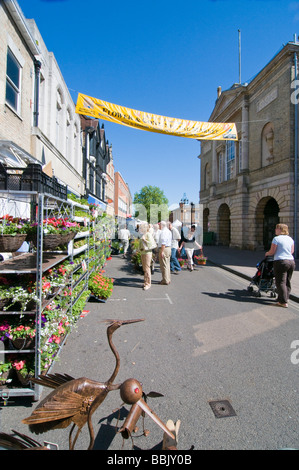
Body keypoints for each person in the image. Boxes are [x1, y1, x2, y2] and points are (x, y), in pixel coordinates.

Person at [265, 223, 295, 308]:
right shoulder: (290, 239)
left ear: (281, 230)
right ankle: (285, 298)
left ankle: (283, 302)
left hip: (280, 262)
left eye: (277, 228)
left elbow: (272, 251)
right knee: (287, 281)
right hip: (291, 261)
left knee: (280, 282)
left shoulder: (276, 239)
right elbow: (291, 251)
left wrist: (267, 253)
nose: (275, 230)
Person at [139, 222, 156, 290]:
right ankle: (145, 282)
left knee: (147, 268)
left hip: (147, 253)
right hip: (143, 252)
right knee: (144, 268)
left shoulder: (148, 234)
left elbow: (152, 244)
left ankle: (148, 283)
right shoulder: (144, 234)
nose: (141, 229)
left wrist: (144, 240)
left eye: (142, 227)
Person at [158, 221, 172, 285]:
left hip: (164, 248)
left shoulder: (163, 232)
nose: (159, 226)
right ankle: (168, 279)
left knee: (164, 265)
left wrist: (162, 251)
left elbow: (163, 242)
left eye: (159, 225)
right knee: (167, 265)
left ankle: (165, 280)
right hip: (168, 248)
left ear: (162, 225)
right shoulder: (168, 231)